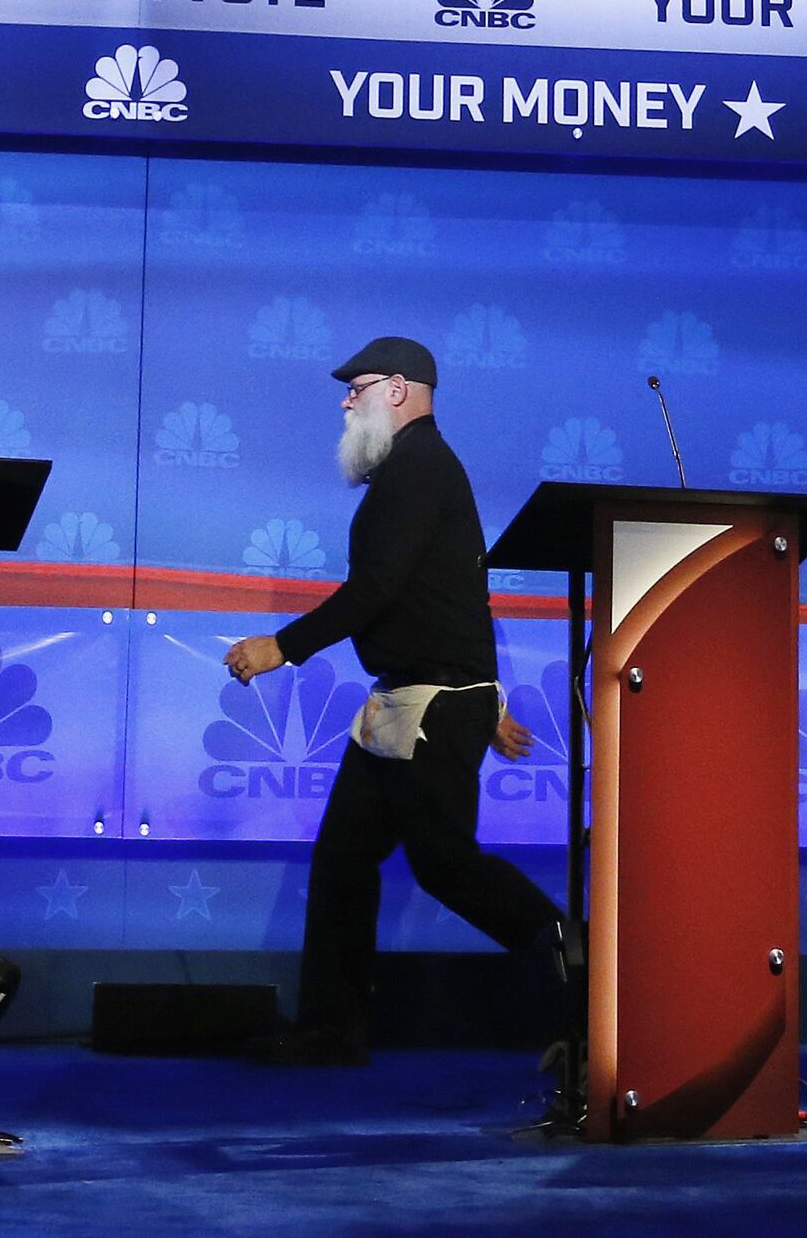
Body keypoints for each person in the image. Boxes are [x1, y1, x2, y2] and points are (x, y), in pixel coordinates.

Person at [223, 336, 563, 1066]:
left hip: (433, 709)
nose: (346, 401)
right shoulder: (413, 470)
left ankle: (590, 976)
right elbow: (448, 599)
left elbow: (377, 590)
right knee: (343, 860)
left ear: (401, 390)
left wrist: (283, 646)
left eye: (359, 387)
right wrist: (490, 699)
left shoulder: (419, 467)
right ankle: (330, 1029)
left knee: (446, 865)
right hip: (404, 704)